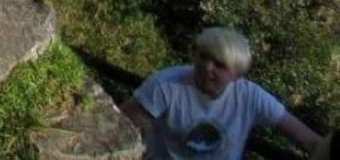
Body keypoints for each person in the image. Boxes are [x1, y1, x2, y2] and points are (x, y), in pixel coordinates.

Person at [119, 27, 324, 160]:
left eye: (219, 64)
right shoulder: (166, 85)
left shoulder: (250, 97)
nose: (207, 67)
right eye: (203, 56)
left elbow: (311, 141)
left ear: (236, 75)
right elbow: (122, 125)